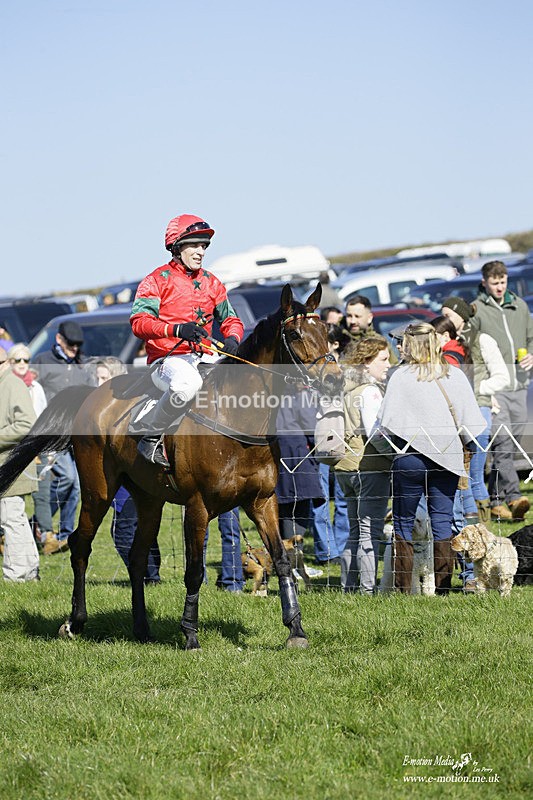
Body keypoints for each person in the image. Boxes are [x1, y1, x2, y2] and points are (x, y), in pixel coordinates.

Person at [376, 323, 486, 593]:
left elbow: (385, 424)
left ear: (410, 344)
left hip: (409, 457)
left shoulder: (400, 376)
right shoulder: (454, 374)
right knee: (442, 522)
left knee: (402, 523)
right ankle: (445, 588)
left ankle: (402, 589)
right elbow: (471, 421)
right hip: (446, 457)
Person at [130, 214, 244, 467]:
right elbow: (139, 323)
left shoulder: (212, 282)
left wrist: (233, 339)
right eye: (194, 244)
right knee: (187, 384)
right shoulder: (155, 281)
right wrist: (177, 330)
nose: (201, 251)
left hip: (206, 356)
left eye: (204, 246)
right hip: (167, 360)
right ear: (176, 246)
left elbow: (231, 320)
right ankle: (150, 437)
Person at [469, 261, 533, 521]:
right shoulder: (478, 310)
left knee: (509, 443)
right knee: (503, 442)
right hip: (496, 388)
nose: (499, 287)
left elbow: (530, 338)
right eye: (494, 283)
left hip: (520, 384)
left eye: (502, 282)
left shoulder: (520, 306)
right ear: (485, 282)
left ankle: (495, 499)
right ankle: (514, 497)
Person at [440, 295, 510, 523]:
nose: (444, 319)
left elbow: (503, 377)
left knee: (474, 474)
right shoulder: (446, 341)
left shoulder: (482, 340)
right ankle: (474, 524)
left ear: (462, 315)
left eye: (448, 315)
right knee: (463, 474)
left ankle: (482, 526)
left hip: (478, 408)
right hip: (456, 413)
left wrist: (473, 388)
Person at [334, 336, 392, 593]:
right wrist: (396, 456)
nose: (389, 364)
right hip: (367, 468)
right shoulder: (369, 392)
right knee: (370, 533)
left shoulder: (344, 389)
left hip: (344, 467)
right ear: (366, 362)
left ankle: (349, 588)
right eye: (383, 359)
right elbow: (375, 434)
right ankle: (368, 590)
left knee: (355, 531)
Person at [31, 320, 88, 551]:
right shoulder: (42, 361)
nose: (74, 349)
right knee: (68, 479)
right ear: (59, 339)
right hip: (52, 433)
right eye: (70, 344)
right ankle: (40, 525)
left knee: (75, 486)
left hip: (77, 433)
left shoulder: (82, 363)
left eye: (78, 345)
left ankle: (64, 534)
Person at [0, 346, 40, 582]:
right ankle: (28, 570)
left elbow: (26, 425)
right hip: (9, 464)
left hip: (12, 464)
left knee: (11, 518)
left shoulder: (12, 384)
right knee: (15, 519)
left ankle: (16, 575)